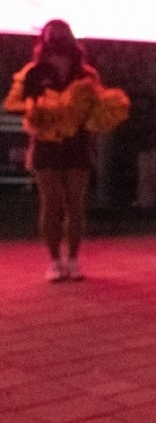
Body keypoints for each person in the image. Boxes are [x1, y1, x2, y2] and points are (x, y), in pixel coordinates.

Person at [5, 20, 99, 281]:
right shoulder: (33, 72)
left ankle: (74, 260)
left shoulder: (86, 74)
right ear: (44, 40)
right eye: (51, 34)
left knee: (76, 206)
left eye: (61, 34)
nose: (57, 38)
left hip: (78, 144)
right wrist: (37, 112)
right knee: (52, 204)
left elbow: (98, 107)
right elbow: (14, 102)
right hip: (45, 145)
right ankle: (55, 261)